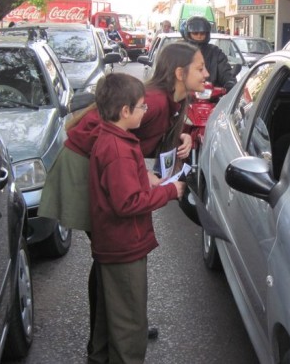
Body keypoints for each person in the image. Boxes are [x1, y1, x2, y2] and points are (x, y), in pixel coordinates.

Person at [37, 41, 208, 358]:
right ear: (179, 73)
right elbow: (111, 135)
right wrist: (143, 178)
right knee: (110, 257)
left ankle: (117, 329)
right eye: (200, 68)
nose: (206, 73)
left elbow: (147, 133)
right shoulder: (152, 103)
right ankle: (117, 330)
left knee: (109, 259)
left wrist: (184, 132)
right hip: (85, 164)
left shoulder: (167, 101)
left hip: (105, 166)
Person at [88, 73, 185, 364]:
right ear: (125, 111)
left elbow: (122, 186)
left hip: (112, 244)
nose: (145, 111)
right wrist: (170, 191)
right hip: (124, 247)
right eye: (142, 106)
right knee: (130, 322)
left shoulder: (112, 138)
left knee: (109, 316)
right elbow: (127, 203)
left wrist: (145, 179)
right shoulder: (118, 150)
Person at [182, 15, 236, 91]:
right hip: (185, 95)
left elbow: (225, 72)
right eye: (195, 33)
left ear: (207, 34)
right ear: (188, 34)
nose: (199, 36)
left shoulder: (215, 52)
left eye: (202, 33)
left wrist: (230, 82)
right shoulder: (181, 51)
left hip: (212, 95)